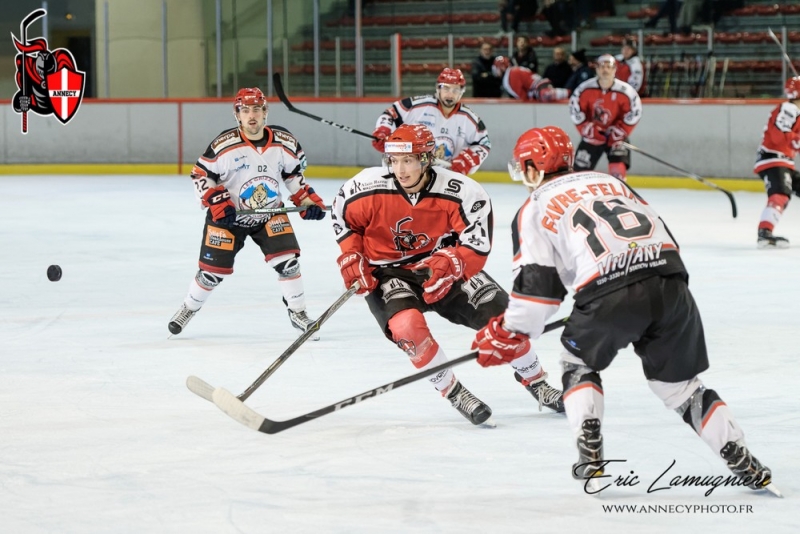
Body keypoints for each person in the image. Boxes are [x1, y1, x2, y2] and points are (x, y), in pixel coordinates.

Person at [471, 125, 777, 495]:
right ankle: (741, 455)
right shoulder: (612, 182)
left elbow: (538, 295)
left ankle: (590, 452)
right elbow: (666, 239)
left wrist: (509, 331)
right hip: (670, 284)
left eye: (524, 167)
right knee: (681, 389)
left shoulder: (534, 206)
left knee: (576, 363)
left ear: (535, 167)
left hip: (608, 294)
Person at [334, 123, 565, 426]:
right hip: (388, 273)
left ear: (426, 159)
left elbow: (477, 245)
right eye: (394, 161)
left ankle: (537, 381)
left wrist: (455, 261)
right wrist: (351, 254)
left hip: (443, 264)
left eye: (409, 160)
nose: (400, 169)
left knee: (505, 321)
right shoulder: (363, 187)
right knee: (407, 328)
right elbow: (346, 223)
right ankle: (454, 391)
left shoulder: (462, 191)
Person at [168, 87, 327, 336]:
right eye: (245, 110)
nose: (251, 116)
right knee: (210, 275)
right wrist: (217, 202)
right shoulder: (224, 145)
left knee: (289, 264)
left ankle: (298, 312)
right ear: (237, 115)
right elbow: (200, 175)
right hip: (230, 217)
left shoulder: (285, 142)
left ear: (265, 112)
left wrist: (307, 201)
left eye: (256, 109)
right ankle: (189, 307)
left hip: (269, 213)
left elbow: (293, 176)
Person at [372, 68, 491, 175]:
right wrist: (384, 131)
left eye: (455, 90)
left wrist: (467, 160)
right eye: (446, 88)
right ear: (438, 88)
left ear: (461, 92)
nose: (450, 94)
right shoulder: (418, 106)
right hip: (409, 172)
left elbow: (484, 143)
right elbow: (391, 114)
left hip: (444, 177)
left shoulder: (468, 118)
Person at [568, 54, 642, 181]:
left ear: (614, 69)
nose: (605, 70)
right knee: (578, 175)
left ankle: (618, 197)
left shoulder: (626, 91)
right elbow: (575, 111)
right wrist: (587, 129)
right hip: (593, 136)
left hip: (616, 137)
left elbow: (634, 112)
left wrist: (620, 131)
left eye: (609, 66)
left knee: (617, 172)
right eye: (602, 66)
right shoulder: (584, 89)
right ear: (596, 69)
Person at [754, 76, 800, 249]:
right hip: (773, 159)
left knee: (783, 194)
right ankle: (764, 233)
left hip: (783, 161)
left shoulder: (796, 112)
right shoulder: (789, 108)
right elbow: (778, 135)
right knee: (780, 194)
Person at [493, 56, 569, 102]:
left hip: (540, 91)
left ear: (502, 67)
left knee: (546, 95)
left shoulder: (510, 76)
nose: (496, 72)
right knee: (567, 94)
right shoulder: (513, 70)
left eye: (497, 68)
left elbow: (523, 97)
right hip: (542, 85)